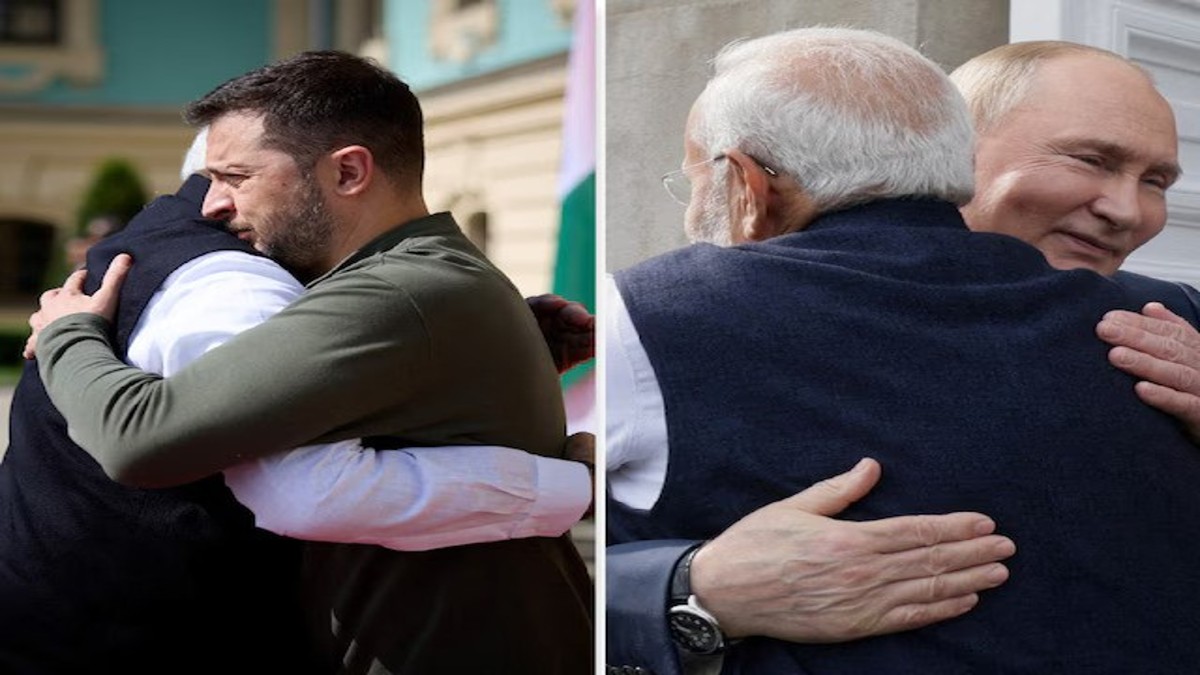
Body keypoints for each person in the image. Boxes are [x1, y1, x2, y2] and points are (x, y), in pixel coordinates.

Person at [605, 28, 1200, 674]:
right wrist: (692, 587)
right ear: (956, 144)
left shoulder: (1173, 324)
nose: (1126, 210)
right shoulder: (666, 324)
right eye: (1091, 159)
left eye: (1158, 180)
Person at [25, 51, 593, 673]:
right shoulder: (425, 277)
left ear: (348, 172)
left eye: (235, 177)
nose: (212, 206)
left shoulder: (394, 292)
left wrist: (70, 334)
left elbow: (139, 439)